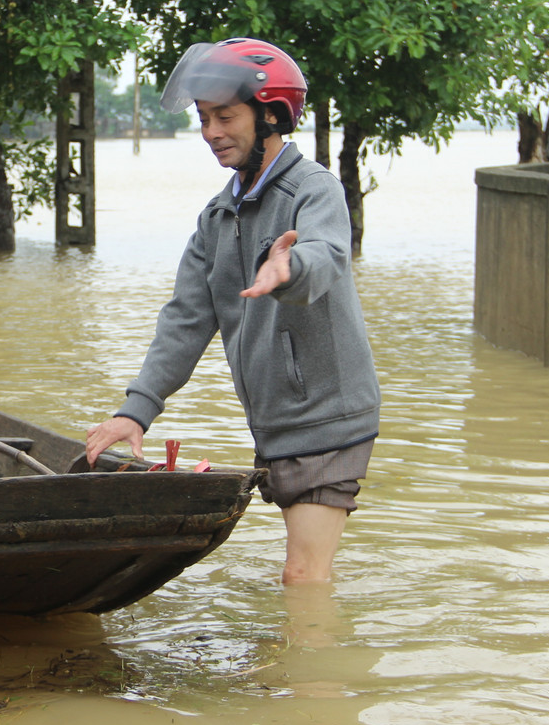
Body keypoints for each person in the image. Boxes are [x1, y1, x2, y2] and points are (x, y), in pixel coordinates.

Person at [84, 37, 381, 584]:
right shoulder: (218, 216)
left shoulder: (313, 190)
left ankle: (311, 669)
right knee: (302, 573)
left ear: (270, 114)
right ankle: (294, 665)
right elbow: (185, 319)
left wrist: (289, 269)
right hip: (274, 421)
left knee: (302, 574)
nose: (212, 133)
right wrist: (138, 408)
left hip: (329, 416)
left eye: (226, 116)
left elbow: (327, 254)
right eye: (203, 119)